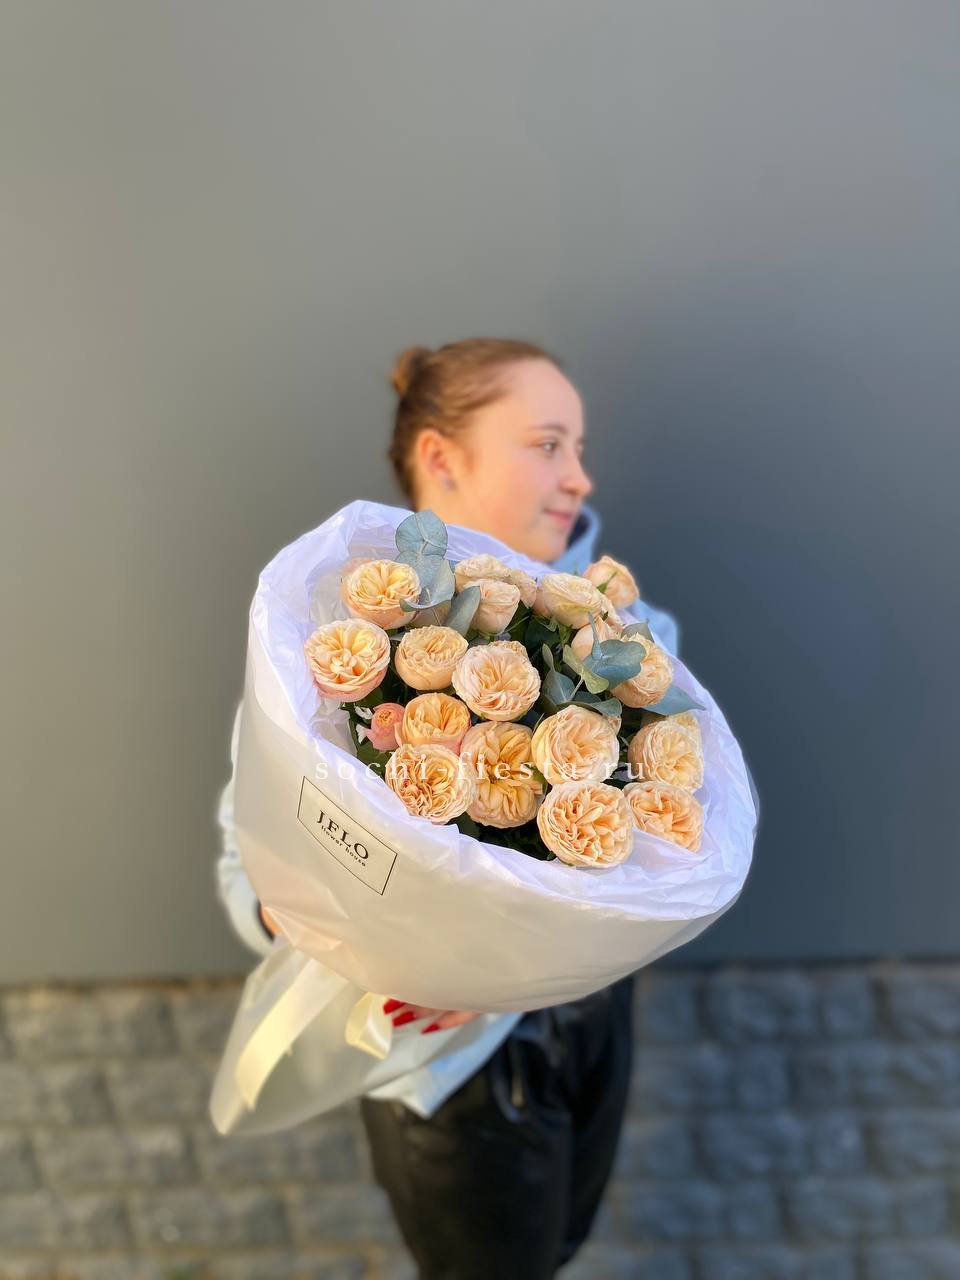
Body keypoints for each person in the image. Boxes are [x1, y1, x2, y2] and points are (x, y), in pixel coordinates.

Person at [216, 338, 681, 1278]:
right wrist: (362, 940)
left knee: (555, 1254)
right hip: (448, 1069)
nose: (580, 477)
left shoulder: (631, 639)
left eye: (579, 448)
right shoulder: (329, 636)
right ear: (441, 457)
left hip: (591, 1024)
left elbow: (664, 840)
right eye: (547, 445)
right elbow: (249, 868)